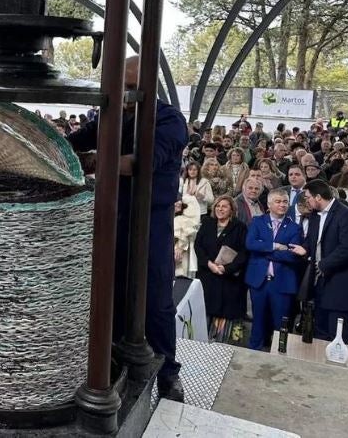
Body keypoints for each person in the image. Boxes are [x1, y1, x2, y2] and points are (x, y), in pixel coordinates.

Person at [67, 56, 188, 401]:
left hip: (150, 222)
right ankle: (114, 362)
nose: (124, 93)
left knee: (154, 300)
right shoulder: (112, 116)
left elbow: (142, 163)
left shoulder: (169, 121)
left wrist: (91, 163)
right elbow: (77, 140)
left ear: (150, 88)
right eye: (120, 85)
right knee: (110, 291)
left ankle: (166, 374)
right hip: (111, 217)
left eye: (132, 87)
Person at [245, 188, 308, 350]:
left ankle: (279, 355)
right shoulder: (258, 221)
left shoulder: (295, 228)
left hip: (282, 282)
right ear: (269, 204)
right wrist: (276, 246)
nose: (282, 205)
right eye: (278, 201)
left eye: (285, 202)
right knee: (258, 321)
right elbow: (250, 244)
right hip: (259, 281)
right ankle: (254, 352)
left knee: (281, 324)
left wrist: (265, 252)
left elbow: (292, 256)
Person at [303, 179, 348, 344]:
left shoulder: (347, 215)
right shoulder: (314, 215)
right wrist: (304, 249)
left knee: (337, 338)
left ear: (319, 197)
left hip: (341, 287)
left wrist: (323, 264)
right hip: (320, 286)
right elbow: (312, 241)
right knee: (319, 335)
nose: (306, 201)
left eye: (308, 197)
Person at [195, 196, 249, 342]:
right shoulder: (207, 223)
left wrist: (226, 268)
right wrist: (209, 264)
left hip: (228, 279)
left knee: (225, 313)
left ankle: (220, 343)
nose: (220, 209)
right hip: (208, 275)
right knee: (206, 310)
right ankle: (202, 340)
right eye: (218, 206)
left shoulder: (240, 227)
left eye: (224, 206)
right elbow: (198, 246)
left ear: (232, 209)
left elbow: (244, 253)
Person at [174, 194, 201, 278]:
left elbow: (187, 236)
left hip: (181, 254)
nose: (177, 204)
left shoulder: (181, 219)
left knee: (181, 275)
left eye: (179, 203)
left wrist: (180, 248)